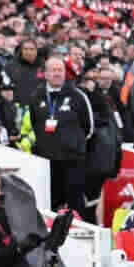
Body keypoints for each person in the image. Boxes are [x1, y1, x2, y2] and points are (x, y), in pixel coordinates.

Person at [31, 55, 96, 213]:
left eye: (60, 70)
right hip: (47, 162)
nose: (57, 73)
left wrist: (73, 143)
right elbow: (34, 124)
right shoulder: (36, 96)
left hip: (72, 160)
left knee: (76, 203)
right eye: (53, 70)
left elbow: (89, 128)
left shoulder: (78, 95)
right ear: (45, 74)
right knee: (51, 202)